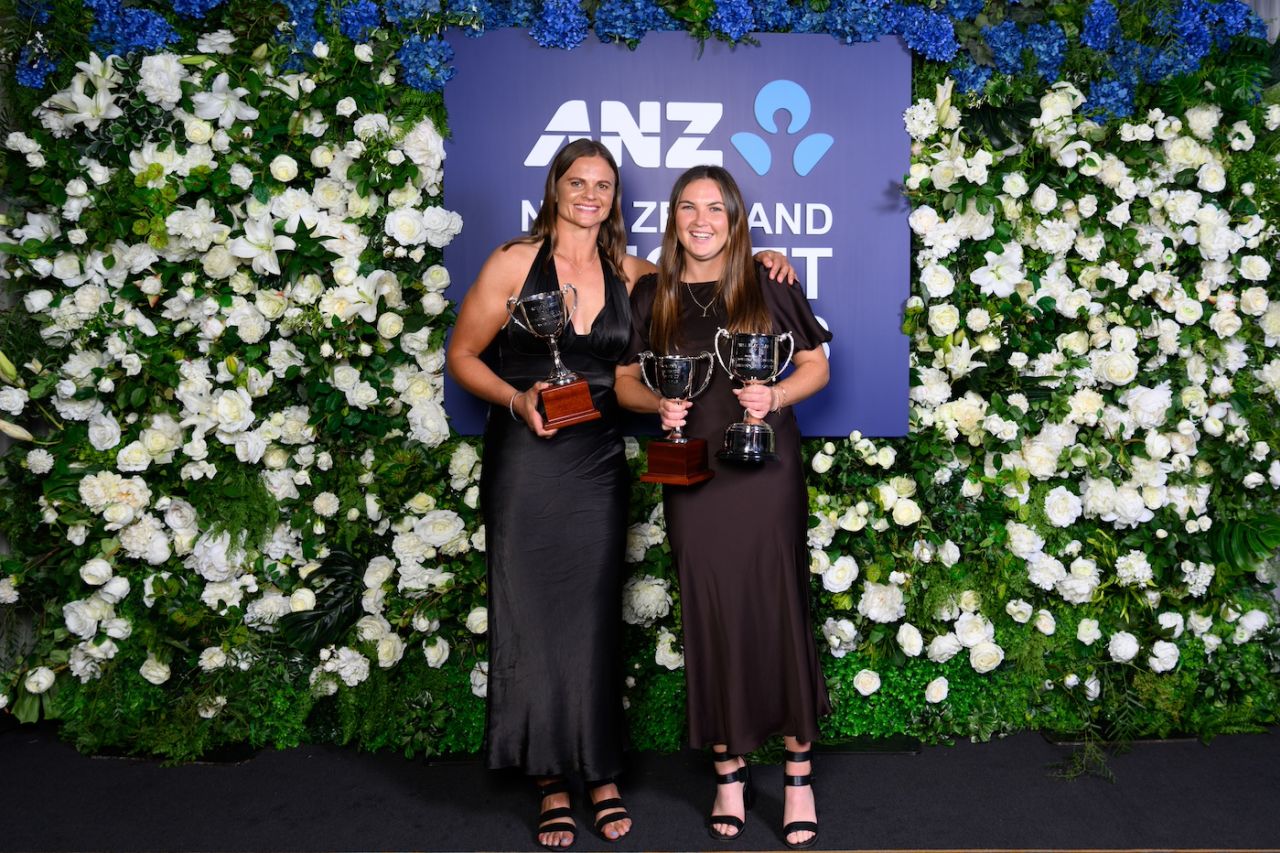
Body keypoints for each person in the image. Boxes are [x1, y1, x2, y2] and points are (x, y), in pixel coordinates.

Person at [445, 141, 795, 850]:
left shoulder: (632, 272)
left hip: (597, 461)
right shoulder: (513, 262)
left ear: (615, 198)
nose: (590, 195)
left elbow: (704, 274)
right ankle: (550, 781)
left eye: (603, 185)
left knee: (594, 617)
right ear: (555, 187)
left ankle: (601, 772)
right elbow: (461, 355)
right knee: (530, 613)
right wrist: (518, 400)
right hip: (528, 456)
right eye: (578, 182)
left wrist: (764, 260)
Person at [615, 165, 832, 849]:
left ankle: (798, 777)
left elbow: (817, 365)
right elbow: (623, 381)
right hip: (694, 477)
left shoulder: (769, 281)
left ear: (735, 219)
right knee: (710, 614)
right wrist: (658, 403)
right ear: (673, 218)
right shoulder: (652, 293)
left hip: (765, 473)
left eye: (716, 208)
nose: (701, 220)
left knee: (777, 608)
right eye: (688, 207)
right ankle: (728, 774)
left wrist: (777, 396)